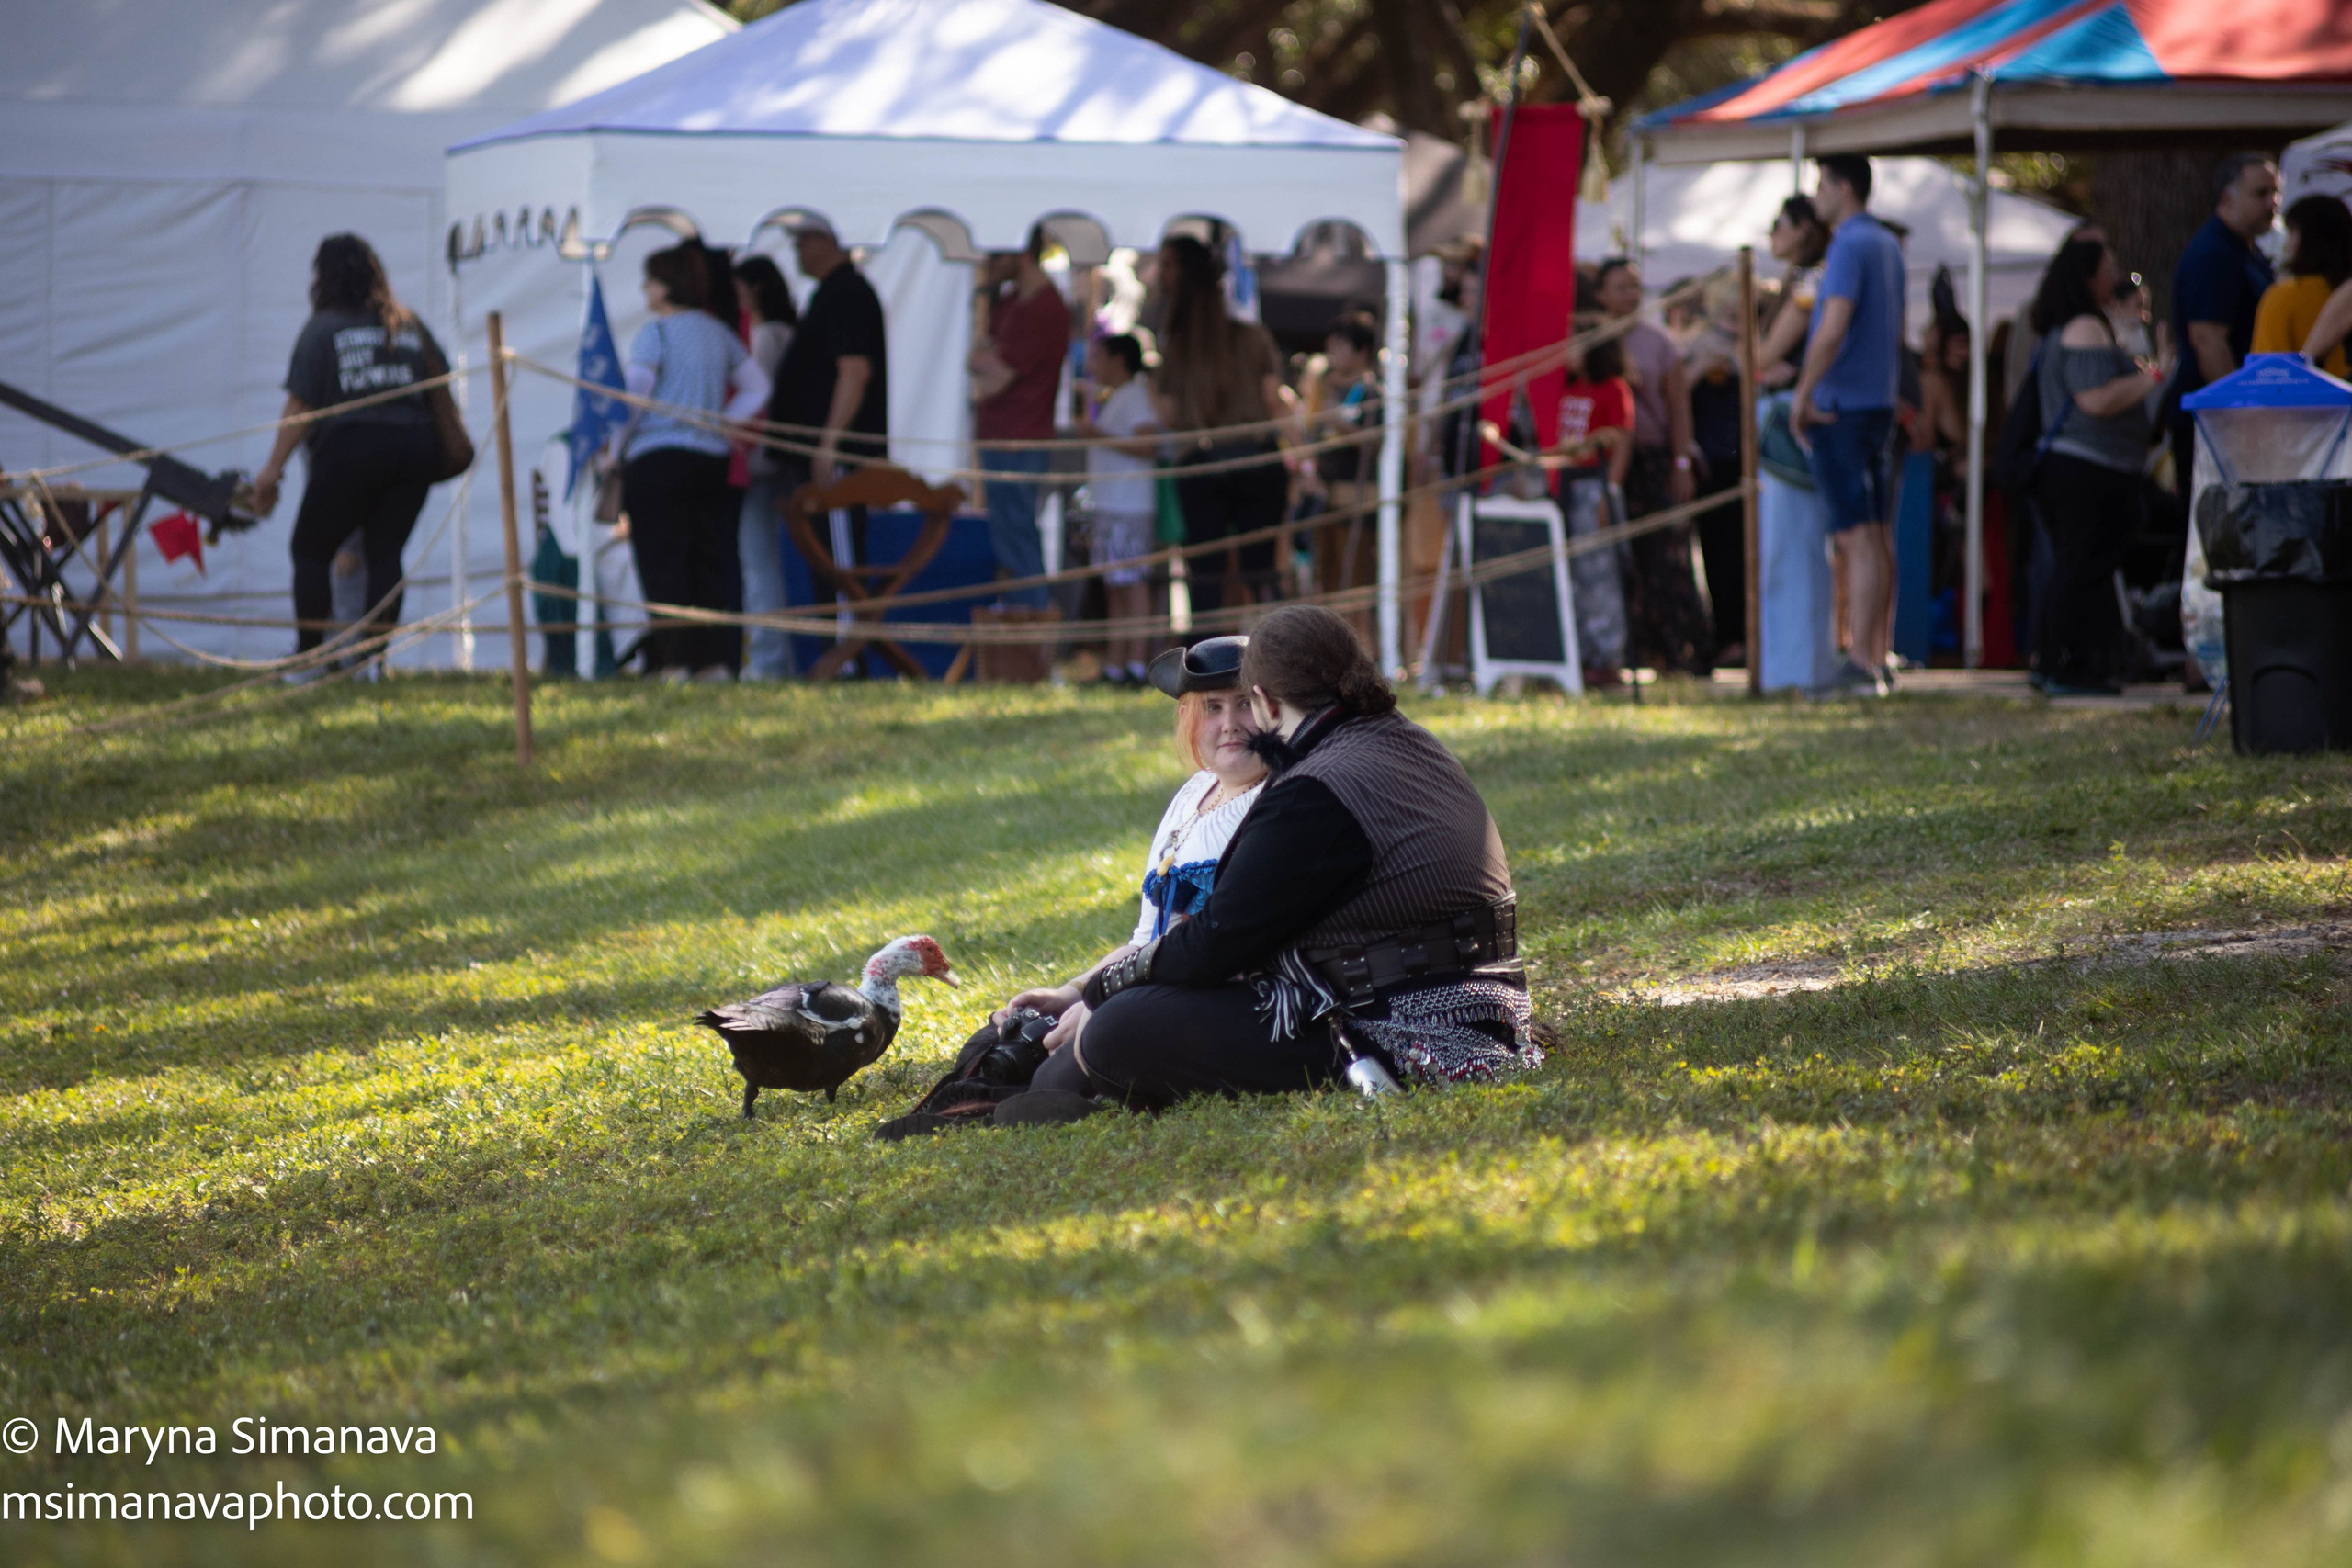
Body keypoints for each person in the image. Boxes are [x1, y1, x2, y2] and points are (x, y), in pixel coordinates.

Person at [997, 605, 1539, 1119]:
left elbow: (1217, 944)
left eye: (1244, 704)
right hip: (1478, 1003)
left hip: (1408, 1025)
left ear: (1265, 701)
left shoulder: (1318, 788)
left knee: (1119, 1030)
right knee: (1107, 1021)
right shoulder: (1407, 740)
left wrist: (1102, 990)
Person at [991, 637, 1267, 1031]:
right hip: (1152, 984)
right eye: (1212, 707)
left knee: (1097, 1035)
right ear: (1188, 717)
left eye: (1244, 704)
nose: (1230, 724)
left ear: (1272, 709)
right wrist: (1071, 992)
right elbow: (1144, 941)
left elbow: (1229, 955)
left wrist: (1104, 1002)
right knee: (1008, 1033)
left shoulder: (1276, 800)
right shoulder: (1193, 793)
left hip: (1229, 1003)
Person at [252, 233, 451, 669]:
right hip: (414, 449)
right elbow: (442, 388)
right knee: (386, 554)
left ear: (322, 278)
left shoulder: (322, 328)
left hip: (352, 448)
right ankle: (370, 664)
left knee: (310, 551)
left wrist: (271, 471)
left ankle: (311, 661)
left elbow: (299, 406)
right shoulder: (408, 325)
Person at [611, 243, 771, 682]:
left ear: (664, 287)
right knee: (710, 561)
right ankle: (715, 663)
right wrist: (722, 424)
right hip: (711, 461)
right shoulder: (719, 332)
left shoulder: (655, 334)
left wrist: (614, 449)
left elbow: (635, 399)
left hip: (657, 460)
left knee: (663, 560)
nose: (644, 289)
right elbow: (757, 386)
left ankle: (675, 662)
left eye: (648, 280)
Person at [2026, 237, 2162, 698]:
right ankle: (2065, 661)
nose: (2115, 276)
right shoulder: (2084, 327)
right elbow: (2096, 399)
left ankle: (2065, 660)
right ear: (2087, 277)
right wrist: (2152, 379)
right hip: (2087, 470)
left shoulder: (2076, 325)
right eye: (2109, 268)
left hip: (2085, 469)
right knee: (2082, 567)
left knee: (2080, 567)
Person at [1792, 153, 1905, 696]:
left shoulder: (1850, 244)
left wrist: (1802, 393)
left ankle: (1860, 663)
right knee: (1878, 536)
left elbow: (1832, 326)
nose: (1815, 197)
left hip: (1843, 408)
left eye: (1820, 185)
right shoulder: (1885, 243)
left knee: (1857, 538)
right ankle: (1877, 655)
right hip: (1878, 404)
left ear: (1842, 187)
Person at [1151, 234, 1295, 616]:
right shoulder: (1252, 337)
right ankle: (1278, 656)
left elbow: (1167, 414)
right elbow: (1272, 397)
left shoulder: (1178, 346)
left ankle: (1205, 665)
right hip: (1256, 457)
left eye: (1167, 266)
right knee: (1261, 574)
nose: (1160, 275)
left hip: (1205, 461)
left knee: (1206, 577)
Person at [1593, 257, 1712, 675]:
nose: (1630, 295)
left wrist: (1681, 462)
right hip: (1606, 460)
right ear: (1601, 294)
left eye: (1634, 286)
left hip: (1654, 458)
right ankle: (1634, 652)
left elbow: (1679, 407)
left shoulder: (1660, 343)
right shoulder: (1590, 340)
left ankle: (1681, 651)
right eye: (1620, 287)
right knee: (1621, 560)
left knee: (1667, 555)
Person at [768, 218, 888, 562]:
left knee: (839, 559)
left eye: (802, 241)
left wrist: (829, 444)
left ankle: (844, 618)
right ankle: (836, 616)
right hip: (824, 454)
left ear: (828, 240)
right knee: (826, 556)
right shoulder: (832, 292)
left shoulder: (847, 293)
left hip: (839, 458)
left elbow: (855, 371)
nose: (796, 251)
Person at [2167, 153, 2279, 508]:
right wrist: (2239, 413)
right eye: (2260, 193)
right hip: (2216, 429)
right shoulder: (2214, 254)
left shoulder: (2247, 251)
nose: (2272, 203)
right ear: (2227, 199)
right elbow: (2208, 339)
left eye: (2275, 193)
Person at [972, 226, 1073, 609]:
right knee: (1011, 540)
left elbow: (994, 378)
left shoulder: (1044, 307)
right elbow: (981, 359)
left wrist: (986, 359)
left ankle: (1030, 633)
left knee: (1020, 543)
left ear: (1020, 253)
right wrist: (986, 359)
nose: (988, 265)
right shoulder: (1012, 300)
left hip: (1020, 440)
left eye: (996, 255)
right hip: (1003, 437)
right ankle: (1022, 626)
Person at [1546, 331, 1634, 686]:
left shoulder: (1612, 388)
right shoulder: (1567, 388)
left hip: (1594, 484)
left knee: (1600, 575)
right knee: (1573, 575)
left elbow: (1623, 439)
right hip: (1565, 485)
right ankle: (1578, 653)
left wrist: (1608, 491)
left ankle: (1607, 655)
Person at [1079, 333, 1161, 685]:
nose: (1094, 366)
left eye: (1100, 358)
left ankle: (1136, 663)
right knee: (1116, 585)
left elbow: (1148, 443)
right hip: (1113, 503)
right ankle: (1116, 663)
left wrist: (1098, 434)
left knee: (1132, 585)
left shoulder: (1135, 396)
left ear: (1119, 360)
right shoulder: (1119, 398)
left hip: (1128, 505)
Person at [731, 254, 799, 681]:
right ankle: (773, 658)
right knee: (764, 564)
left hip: (759, 463)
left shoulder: (766, 337)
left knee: (759, 565)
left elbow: (757, 397)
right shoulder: (784, 333)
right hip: (773, 462)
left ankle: (768, 661)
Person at [2253, 195, 2352, 376]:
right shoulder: (2342, 291)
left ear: (2306, 239)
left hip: (2306, 401)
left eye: (2292, 232)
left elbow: (2266, 373)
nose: (2287, 243)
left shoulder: (2283, 297)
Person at [1756, 195, 1831, 389]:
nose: (1770, 234)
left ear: (1802, 230)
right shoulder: (1800, 279)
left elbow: (1764, 356)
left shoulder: (1811, 281)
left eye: (1777, 224)